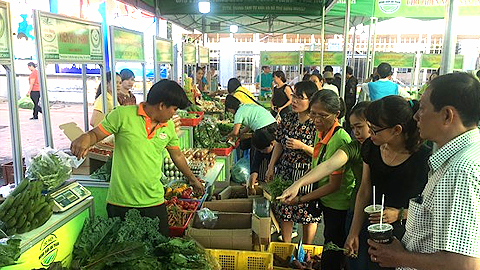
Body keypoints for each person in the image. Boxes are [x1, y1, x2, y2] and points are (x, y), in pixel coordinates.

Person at [367, 73, 480, 270]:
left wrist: (399, 257)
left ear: (447, 115)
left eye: (423, 108)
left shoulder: (460, 170)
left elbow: (464, 264)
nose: (416, 116)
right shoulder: (463, 155)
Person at [70, 80, 205, 236]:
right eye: (173, 109)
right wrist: (85, 139)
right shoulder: (122, 115)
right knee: (123, 253)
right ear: (161, 105)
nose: (174, 114)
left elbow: (178, 156)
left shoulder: (167, 127)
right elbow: (95, 134)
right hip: (120, 203)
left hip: (154, 202)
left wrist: (193, 179)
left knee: (157, 252)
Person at [278, 101, 372, 270]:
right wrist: (298, 185)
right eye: (353, 127)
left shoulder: (344, 139)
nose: (356, 132)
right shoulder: (352, 146)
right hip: (353, 207)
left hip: (349, 206)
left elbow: (335, 182)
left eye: (360, 127)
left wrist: (300, 196)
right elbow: (329, 165)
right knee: (350, 256)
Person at [344, 96, 431, 270]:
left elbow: (431, 207)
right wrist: (353, 232)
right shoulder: (372, 147)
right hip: (371, 226)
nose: (370, 134)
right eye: (369, 127)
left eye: (375, 130)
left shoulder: (424, 159)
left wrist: (400, 214)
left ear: (397, 130)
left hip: (405, 233)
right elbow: (364, 190)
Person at [301, 89, 355, 270]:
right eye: (313, 114)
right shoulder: (321, 131)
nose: (316, 120)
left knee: (334, 248)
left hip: (339, 203)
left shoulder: (340, 139)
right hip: (327, 200)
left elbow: (334, 185)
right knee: (329, 240)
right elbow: (318, 164)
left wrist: (301, 199)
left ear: (336, 115)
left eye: (322, 116)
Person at [265, 81, 318, 244]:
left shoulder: (317, 123)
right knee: (285, 209)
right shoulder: (288, 118)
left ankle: (307, 250)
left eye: (299, 98)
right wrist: (271, 166)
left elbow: (322, 153)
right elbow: (279, 143)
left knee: (307, 215)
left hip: (308, 174)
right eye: (293, 96)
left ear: (311, 101)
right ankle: (286, 247)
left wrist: (302, 147)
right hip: (286, 170)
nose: (294, 101)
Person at [248, 128, 276, 195]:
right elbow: (255, 166)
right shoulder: (261, 148)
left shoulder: (280, 150)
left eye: (263, 150)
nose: (262, 152)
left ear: (272, 143)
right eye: (260, 150)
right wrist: (251, 186)